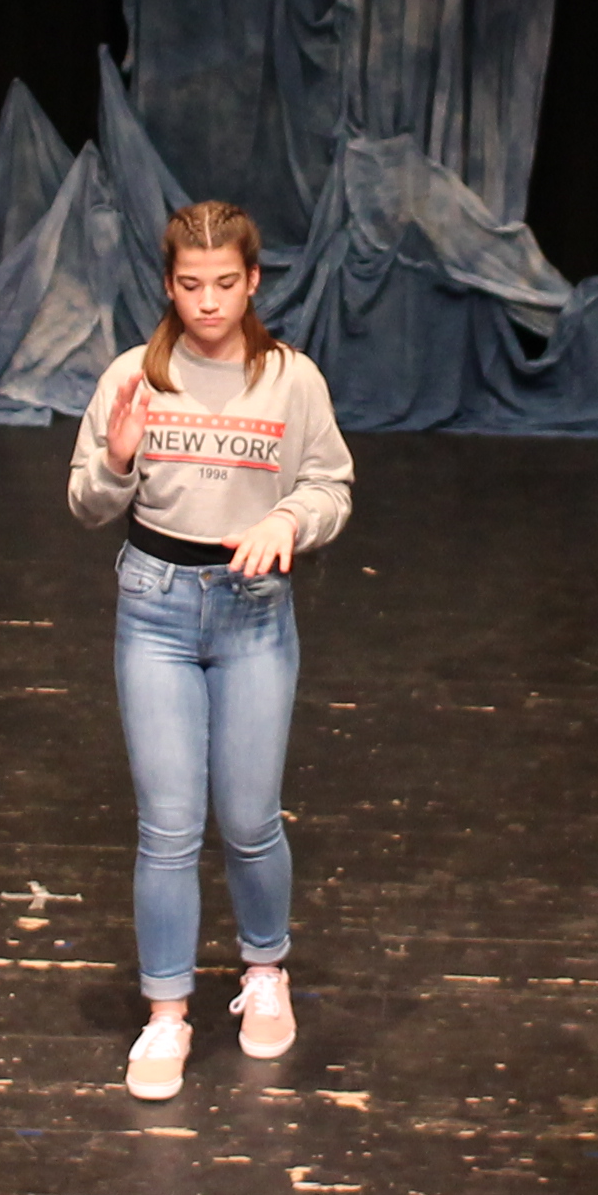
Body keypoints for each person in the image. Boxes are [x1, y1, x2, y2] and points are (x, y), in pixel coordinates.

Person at [64, 200, 355, 1102]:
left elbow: (332, 486)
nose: (209, 302)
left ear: (253, 281)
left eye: (226, 283)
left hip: (253, 612)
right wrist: (117, 460)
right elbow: (85, 503)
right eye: (191, 285)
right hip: (154, 609)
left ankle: (264, 969)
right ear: (168, 284)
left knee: (250, 815)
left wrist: (288, 520)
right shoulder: (134, 376)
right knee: (168, 823)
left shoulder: (290, 380)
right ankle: (166, 1013)